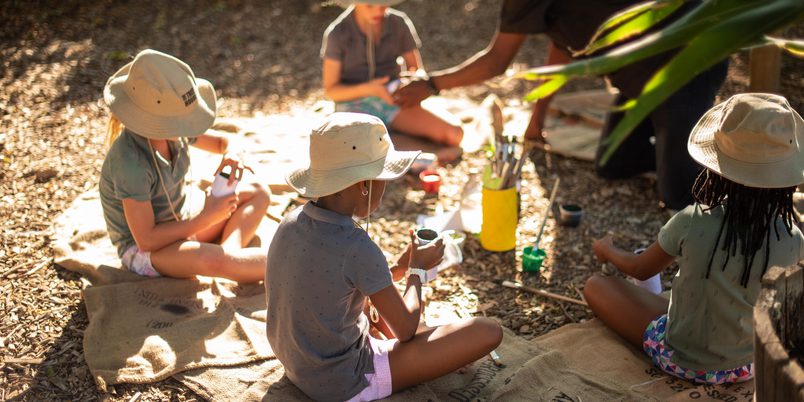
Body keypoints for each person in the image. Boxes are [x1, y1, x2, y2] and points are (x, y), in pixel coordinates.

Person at [393, 0, 728, 210]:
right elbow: (563, 44)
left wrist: (432, 84)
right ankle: (674, 148)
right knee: (612, 165)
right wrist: (537, 119)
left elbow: (497, 61)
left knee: (678, 197)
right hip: (637, 82)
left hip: (685, 68)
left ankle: (727, 164)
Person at [265, 113, 502, 401]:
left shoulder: (290, 221)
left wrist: (398, 268)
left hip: (299, 364)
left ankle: (434, 350)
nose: (386, 187)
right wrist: (416, 271)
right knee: (487, 331)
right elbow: (405, 330)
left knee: (406, 324)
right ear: (364, 184)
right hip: (343, 380)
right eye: (384, 179)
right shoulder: (356, 246)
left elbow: (334, 284)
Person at [582, 93, 804, 384]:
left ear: (717, 167)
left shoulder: (692, 220)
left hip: (680, 359)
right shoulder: (794, 239)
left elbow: (640, 269)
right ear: (786, 180)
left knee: (596, 285)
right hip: (748, 366)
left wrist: (607, 249)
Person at [99, 49, 270, 283]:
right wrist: (206, 219)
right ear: (154, 121)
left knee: (258, 191)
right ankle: (236, 262)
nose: (188, 126)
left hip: (181, 223)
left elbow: (223, 142)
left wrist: (233, 154)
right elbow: (146, 240)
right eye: (182, 121)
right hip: (148, 251)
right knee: (211, 260)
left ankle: (231, 256)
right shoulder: (130, 163)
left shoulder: (172, 129)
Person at [321, 0, 464, 146]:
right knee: (357, 148)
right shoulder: (337, 33)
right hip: (353, 104)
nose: (378, 11)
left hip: (393, 98)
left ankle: (400, 140)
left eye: (383, 3)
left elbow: (415, 70)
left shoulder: (398, 23)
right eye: (370, 5)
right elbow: (331, 91)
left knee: (454, 134)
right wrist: (370, 89)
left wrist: (410, 83)